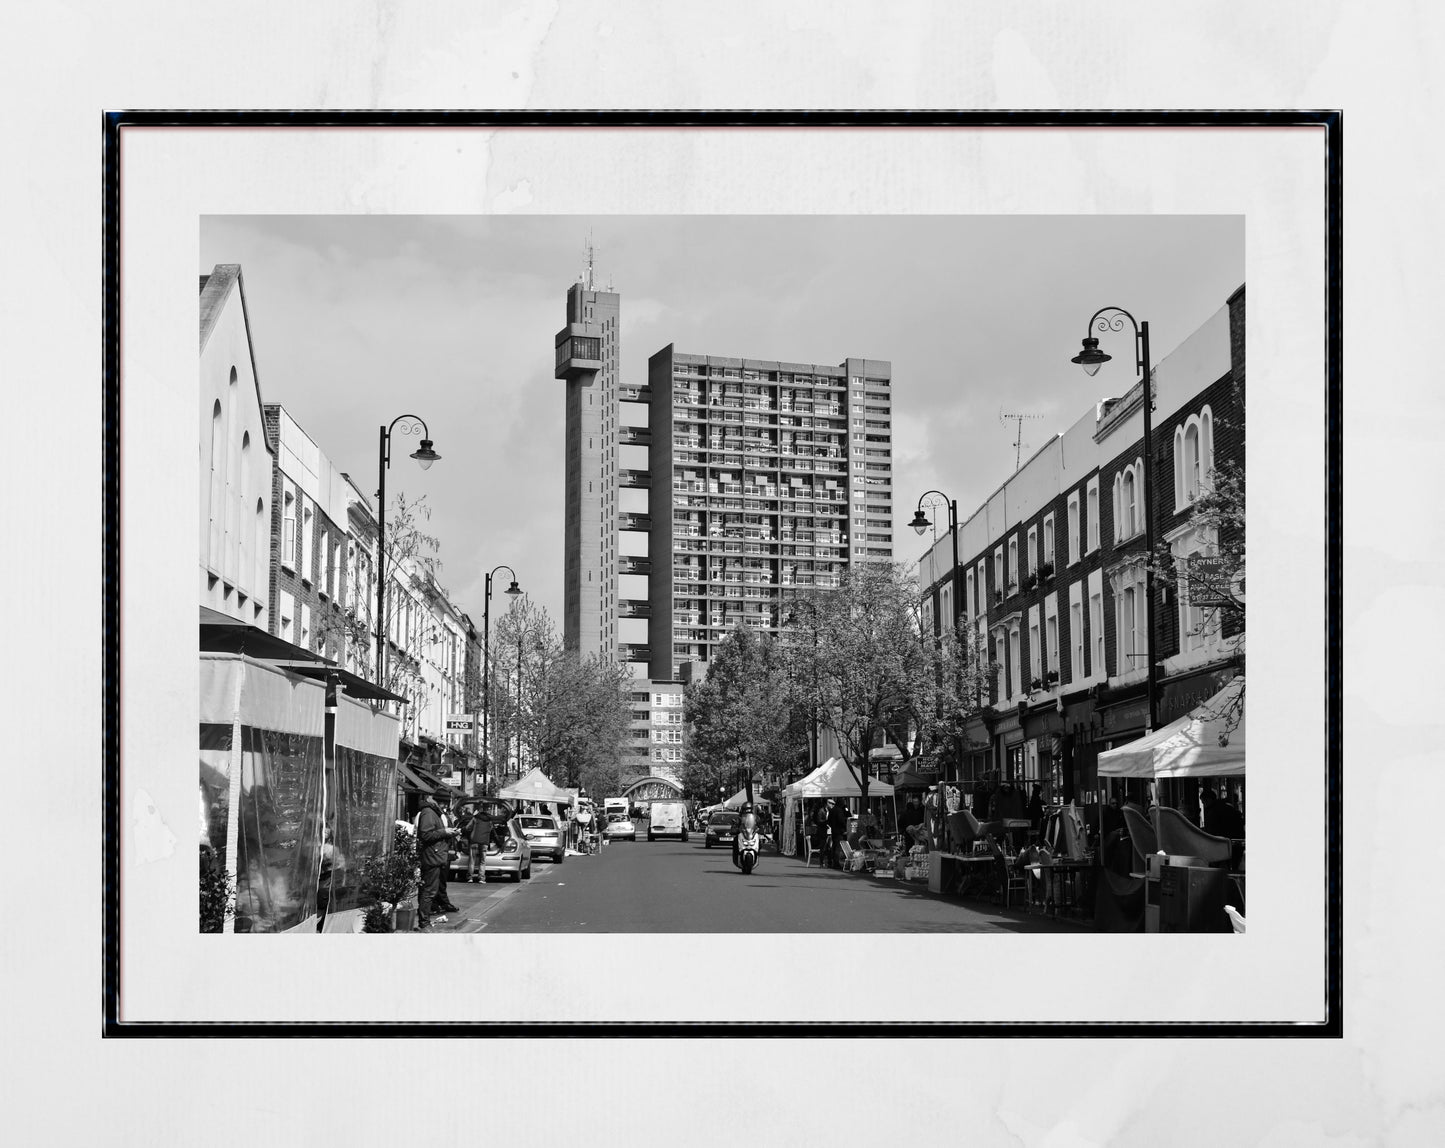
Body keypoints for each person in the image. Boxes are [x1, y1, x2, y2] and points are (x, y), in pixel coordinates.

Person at [414, 794, 452, 930]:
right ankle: (424, 923)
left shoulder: (432, 812)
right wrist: (444, 832)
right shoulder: (428, 813)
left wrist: (448, 832)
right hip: (432, 857)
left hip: (435, 856)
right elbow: (425, 834)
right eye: (444, 803)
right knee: (429, 891)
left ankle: (424, 921)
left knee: (428, 890)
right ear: (436, 800)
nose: (445, 807)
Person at [466, 805, 494, 882]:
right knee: (482, 861)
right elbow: (491, 830)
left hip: (474, 841)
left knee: (472, 860)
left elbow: (467, 827)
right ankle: (481, 878)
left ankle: (470, 877)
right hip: (484, 842)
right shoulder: (490, 820)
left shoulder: (475, 818)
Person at [826, 797, 850, 868]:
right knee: (837, 847)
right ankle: (836, 863)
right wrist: (844, 828)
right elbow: (841, 820)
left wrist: (833, 826)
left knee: (834, 846)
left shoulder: (832, 810)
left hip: (834, 830)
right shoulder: (839, 810)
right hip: (839, 831)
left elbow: (829, 821)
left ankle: (832, 861)